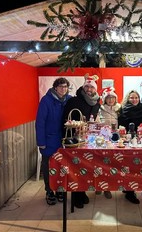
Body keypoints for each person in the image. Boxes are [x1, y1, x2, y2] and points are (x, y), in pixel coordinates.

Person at [63, 73, 100, 209]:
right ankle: (76, 196)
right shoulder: (74, 100)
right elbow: (66, 119)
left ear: (95, 89)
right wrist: (74, 130)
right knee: (75, 167)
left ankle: (82, 191)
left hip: (88, 139)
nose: (89, 89)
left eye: (92, 87)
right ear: (84, 88)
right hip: (74, 139)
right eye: (87, 87)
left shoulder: (97, 103)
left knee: (85, 167)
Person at [35, 77, 71, 205]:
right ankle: (49, 190)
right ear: (55, 87)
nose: (63, 89)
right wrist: (41, 142)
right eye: (61, 86)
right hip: (49, 139)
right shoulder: (46, 100)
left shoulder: (69, 99)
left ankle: (60, 190)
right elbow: (40, 122)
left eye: (66, 86)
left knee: (62, 166)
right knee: (48, 166)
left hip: (63, 140)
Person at [118, 90, 142, 204]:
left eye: (136, 97)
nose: (134, 100)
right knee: (129, 166)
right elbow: (120, 126)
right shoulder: (123, 110)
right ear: (127, 99)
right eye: (131, 97)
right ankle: (129, 191)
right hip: (127, 142)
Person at [97, 86, 121, 199]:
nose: (111, 100)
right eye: (108, 98)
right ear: (104, 99)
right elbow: (96, 123)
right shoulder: (100, 108)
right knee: (100, 163)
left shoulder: (119, 108)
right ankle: (99, 186)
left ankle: (108, 187)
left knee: (111, 164)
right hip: (102, 139)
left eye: (112, 97)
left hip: (116, 139)